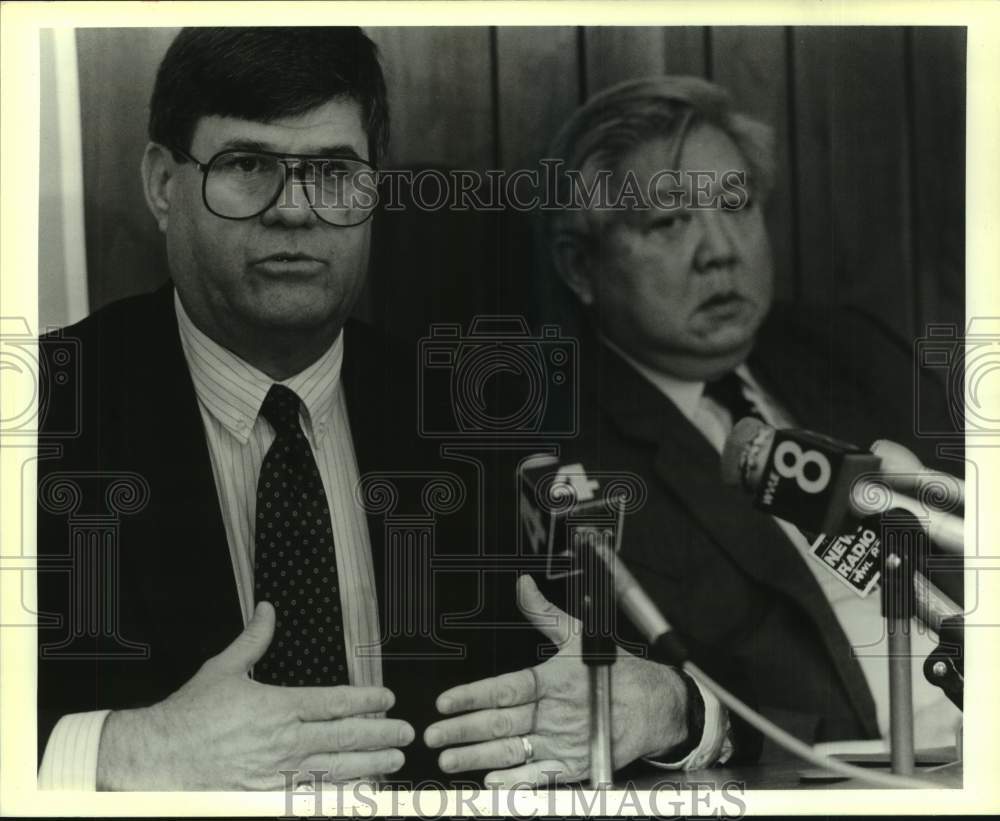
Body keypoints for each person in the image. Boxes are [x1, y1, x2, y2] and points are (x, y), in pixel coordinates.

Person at [36, 28, 699, 793]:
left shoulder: (469, 419)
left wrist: (665, 707)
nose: (294, 210)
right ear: (161, 183)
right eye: (248, 165)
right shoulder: (43, 409)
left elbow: (694, 692)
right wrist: (123, 750)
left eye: (332, 171)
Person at [423, 75, 963, 776]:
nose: (721, 250)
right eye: (670, 221)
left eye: (736, 206)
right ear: (579, 266)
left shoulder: (852, 350)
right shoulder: (551, 455)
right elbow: (632, 703)